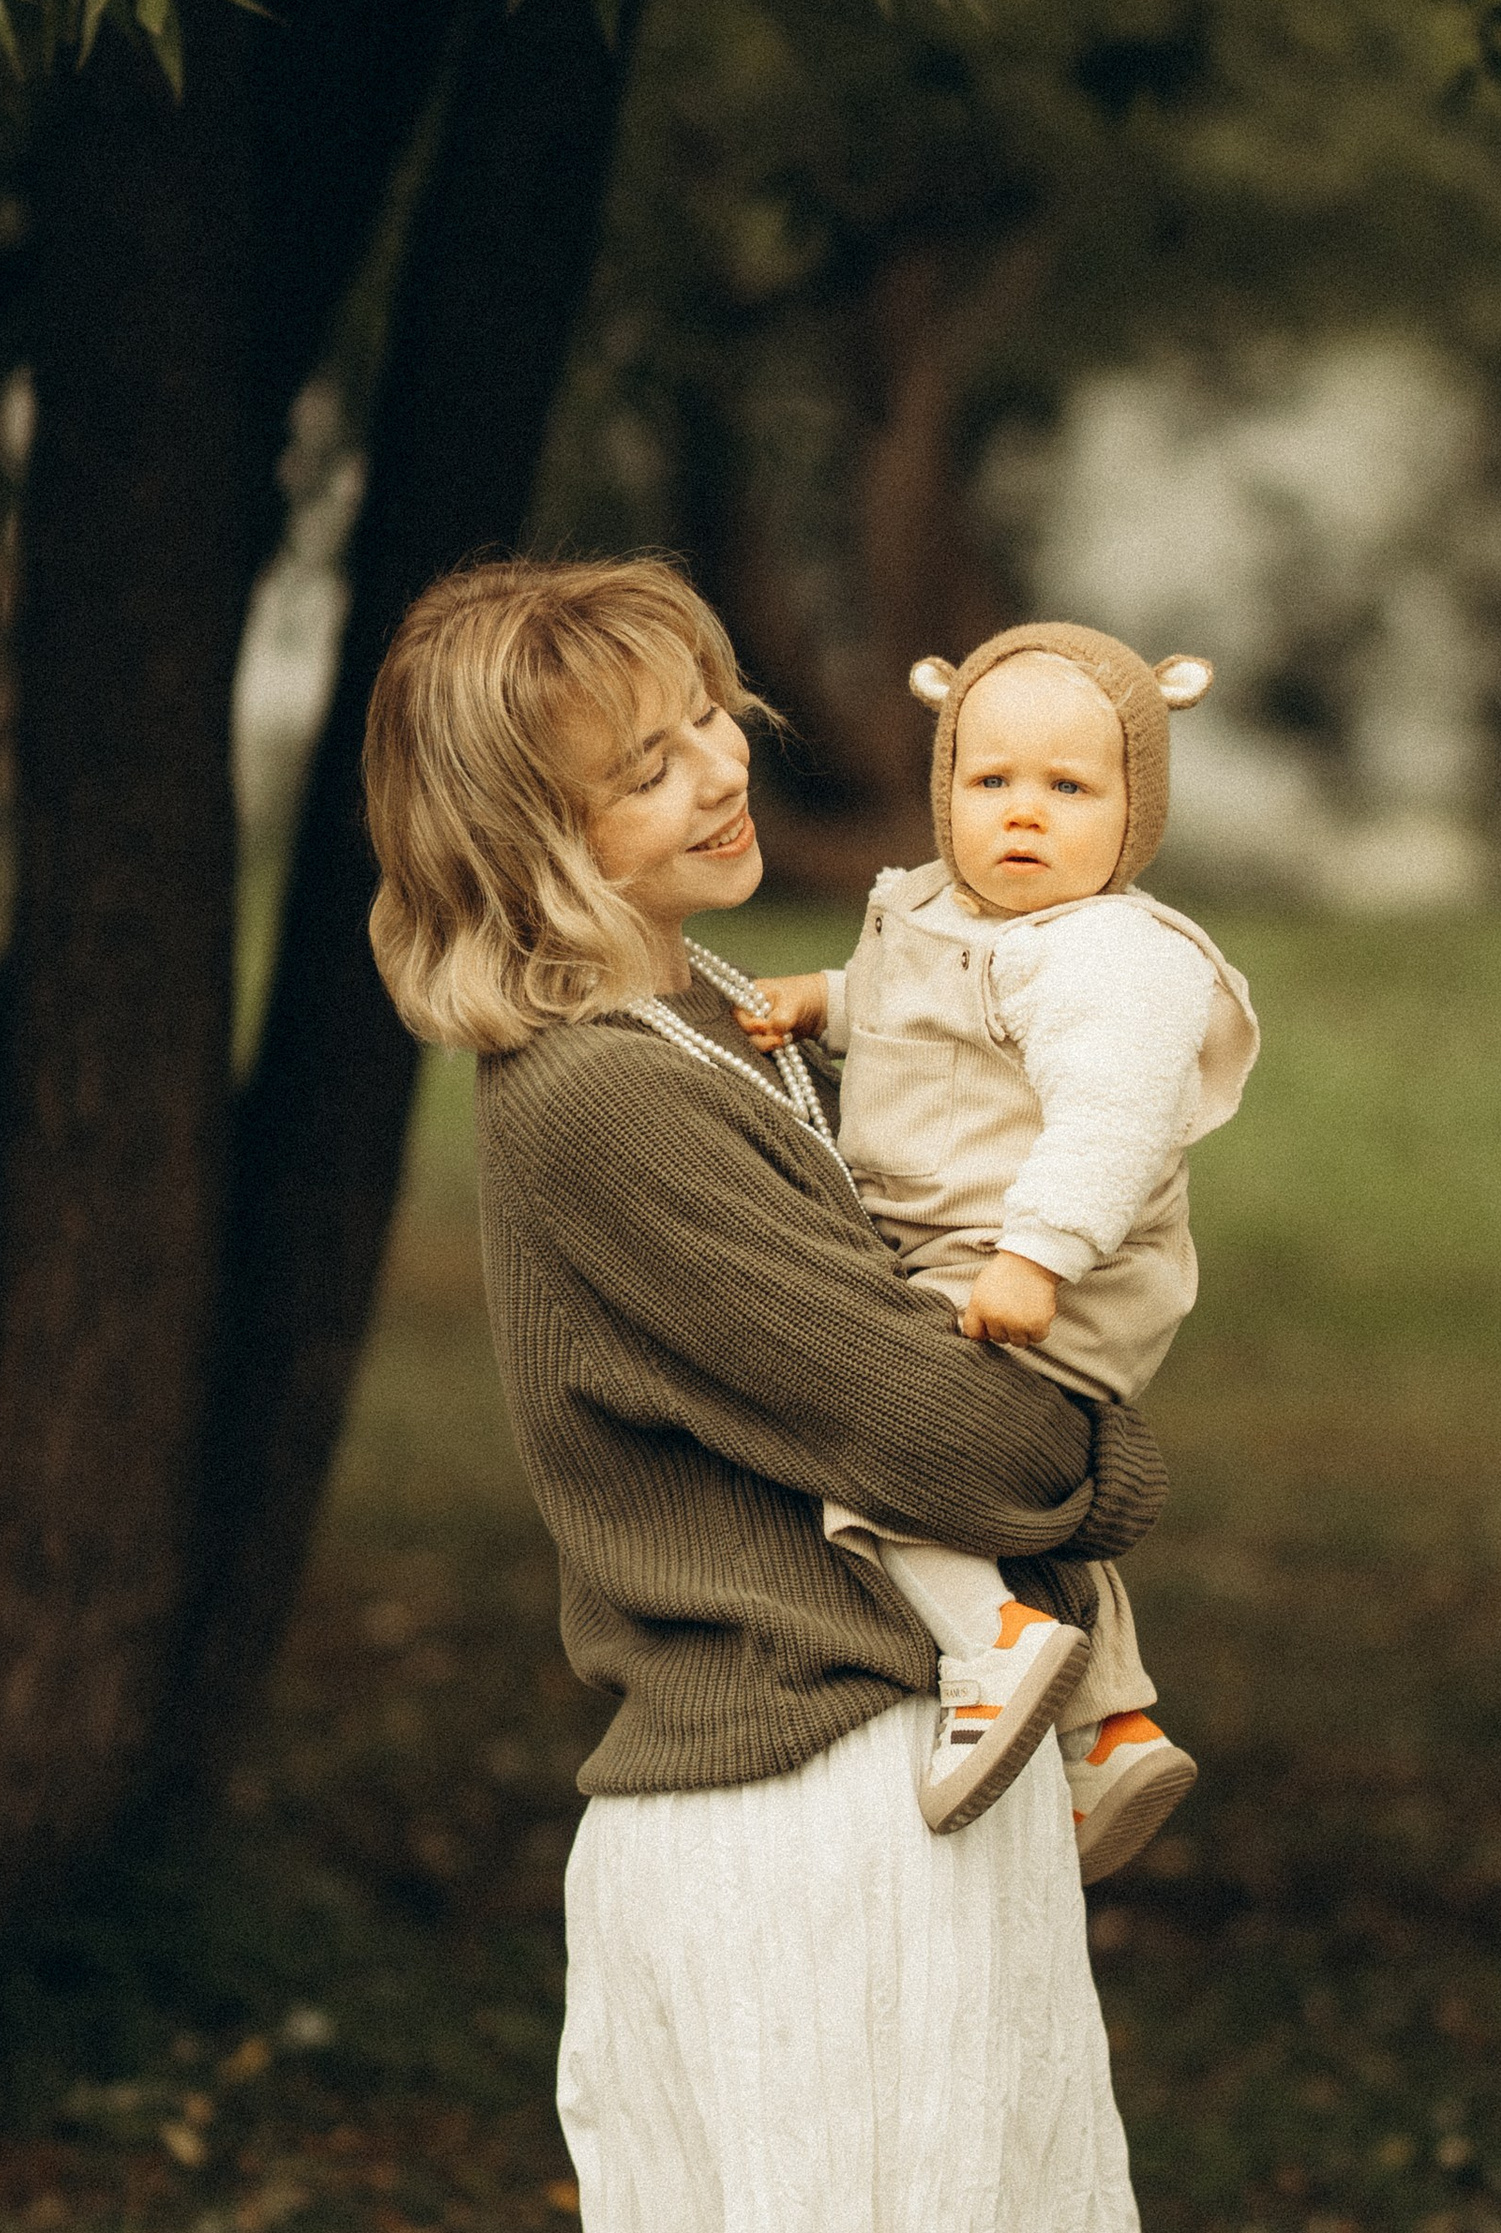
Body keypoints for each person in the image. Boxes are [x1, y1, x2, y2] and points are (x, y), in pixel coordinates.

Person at [365, 556, 1159, 2233]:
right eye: (645, 767)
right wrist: (1107, 1455)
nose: (722, 765)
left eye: (710, 711)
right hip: (804, 1827)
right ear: (530, 843)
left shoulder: (720, 1016)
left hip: (913, 1788)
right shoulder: (597, 1097)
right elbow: (946, 1437)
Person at [737, 619, 1260, 1879]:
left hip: (1039, 1264)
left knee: (875, 1439)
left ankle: (991, 1648)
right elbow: (915, 1012)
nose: (1023, 816)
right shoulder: (935, 908)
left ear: (1137, 810)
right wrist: (823, 1000)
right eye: (991, 782)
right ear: (945, 787)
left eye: (1069, 789)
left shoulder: (1111, 958)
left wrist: (1038, 1256)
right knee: (1005, 1500)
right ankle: (1111, 1727)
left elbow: (1114, 1122)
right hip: (957, 1252)